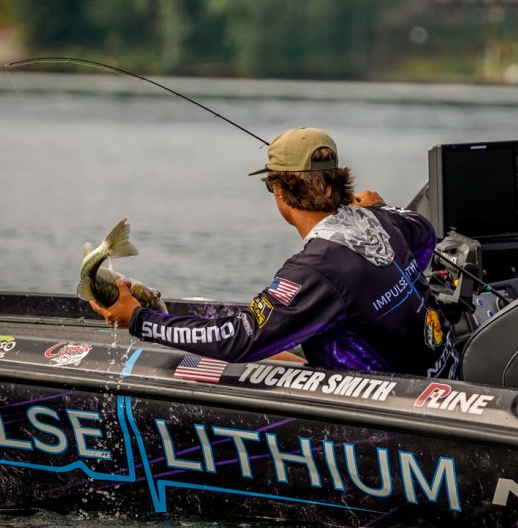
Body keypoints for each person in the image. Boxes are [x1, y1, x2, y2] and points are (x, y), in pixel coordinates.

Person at [89, 126, 459, 379]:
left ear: (280, 190)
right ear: (337, 179)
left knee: (233, 351)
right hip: (444, 375)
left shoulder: (316, 269)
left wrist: (139, 319)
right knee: (276, 342)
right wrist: (378, 208)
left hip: (389, 407)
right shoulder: (385, 221)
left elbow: (238, 340)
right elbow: (424, 234)